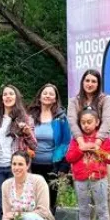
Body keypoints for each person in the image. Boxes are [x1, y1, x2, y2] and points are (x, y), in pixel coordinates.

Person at [68, 69, 110, 220]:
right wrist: (81, 142)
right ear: (82, 82)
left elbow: (107, 121)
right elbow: (72, 122)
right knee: (85, 199)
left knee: (109, 192)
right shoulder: (75, 101)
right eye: (87, 80)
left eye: (94, 81)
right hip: (81, 149)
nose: (90, 84)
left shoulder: (105, 99)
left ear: (98, 84)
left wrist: (97, 143)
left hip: (102, 148)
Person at [0, 85, 37, 220]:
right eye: (5, 94)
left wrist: (27, 133)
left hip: (15, 167)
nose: (8, 96)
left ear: (16, 97)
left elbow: (34, 145)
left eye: (11, 94)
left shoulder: (26, 119)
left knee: (17, 205)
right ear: (1, 98)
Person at [65, 108, 110, 220]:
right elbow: (69, 158)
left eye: (89, 122)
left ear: (97, 122)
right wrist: (81, 149)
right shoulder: (76, 140)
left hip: (99, 178)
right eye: (83, 123)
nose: (86, 125)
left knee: (102, 209)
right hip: (81, 179)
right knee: (83, 210)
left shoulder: (104, 139)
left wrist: (98, 151)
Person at [26, 83, 71, 212]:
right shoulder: (30, 116)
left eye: (51, 94)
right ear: (39, 96)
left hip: (52, 166)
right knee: (33, 199)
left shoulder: (61, 118)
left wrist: (64, 165)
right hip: (31, 165)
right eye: (45, 93)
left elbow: (66, 142)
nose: (47, 96)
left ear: (55, 99)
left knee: (50, 200)